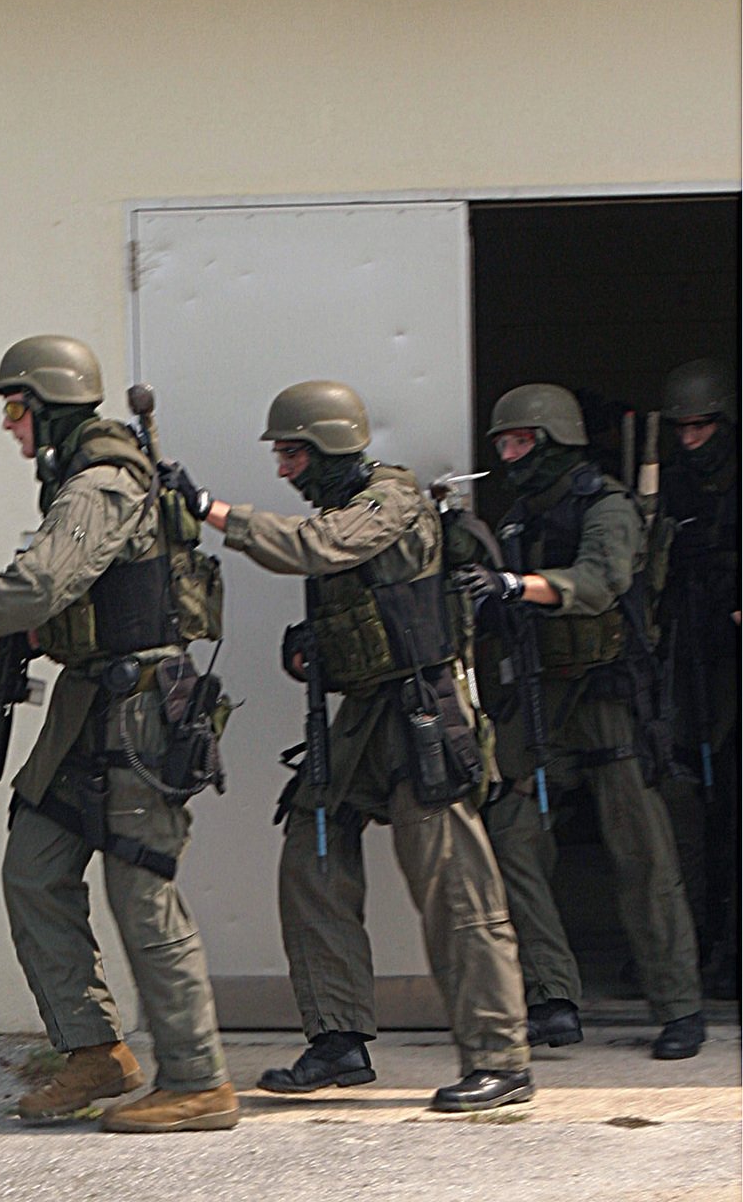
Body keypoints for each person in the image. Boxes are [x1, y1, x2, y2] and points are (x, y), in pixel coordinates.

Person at [0, 335, 239, 1133]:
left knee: (142, 893)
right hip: (89, 706)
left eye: (14, 408)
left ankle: (199, 1079)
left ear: (49, 407)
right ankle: (93, 1051)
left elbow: (37, 585)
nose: (8, 426)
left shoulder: (100, 484)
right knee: (35, 866)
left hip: (139, 711)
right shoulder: (78, 483)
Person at [180, 379, 533, 1113]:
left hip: (422, 715)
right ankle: (338, 1039)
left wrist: (212, 511)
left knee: (454, 885)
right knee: (311, 857)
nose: (284, 470)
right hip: (366, 716)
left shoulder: (390, 499)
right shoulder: (347, 504)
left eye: (292, 454)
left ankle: (501, 1059)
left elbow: (322, 548)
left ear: (330, 446)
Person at [457, 383, 705, 1060]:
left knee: (643, 853)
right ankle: (551, 997)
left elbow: (598, 582)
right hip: (540, 699)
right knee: (511, 837)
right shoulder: (516, 520)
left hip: (610, 698)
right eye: (502, 444)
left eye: (519, 443)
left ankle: (679, 1005)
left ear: (555, 442)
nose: (508, 456)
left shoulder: (607, 506)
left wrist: (518, 586)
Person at [654, 359, 740, 999]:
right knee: (693, 803)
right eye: (681, 429)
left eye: (701, 428)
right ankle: (701, 941)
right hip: (692, 653)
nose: (690, 440)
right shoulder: (677, 488)